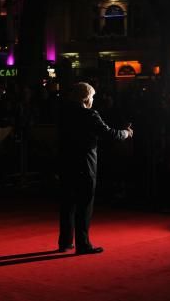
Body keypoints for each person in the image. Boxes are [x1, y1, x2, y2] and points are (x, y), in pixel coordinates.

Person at [58, 82, 133, 254]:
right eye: (92, 97)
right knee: (84, 204)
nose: (93, 100)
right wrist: (126, 133)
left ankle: (65, 242)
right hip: (85, 164)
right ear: (86, 98)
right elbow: (109, 133)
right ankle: (83, 244)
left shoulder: (64, 114)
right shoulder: (89, 114)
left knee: (67, 204)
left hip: (66, 163)